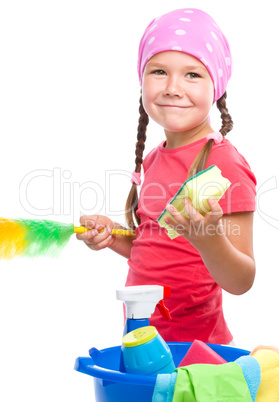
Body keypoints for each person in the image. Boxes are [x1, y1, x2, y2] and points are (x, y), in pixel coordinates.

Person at [77, 8, 257, 345]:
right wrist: (114, 236)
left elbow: (242, 280)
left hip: (197, 354)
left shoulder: (223, 164)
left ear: (216, 87)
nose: (173, 88)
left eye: (192, 75)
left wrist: (210, 241)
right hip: (144, 340)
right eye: (159, 71)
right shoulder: (153, 160)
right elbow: (157, 249)